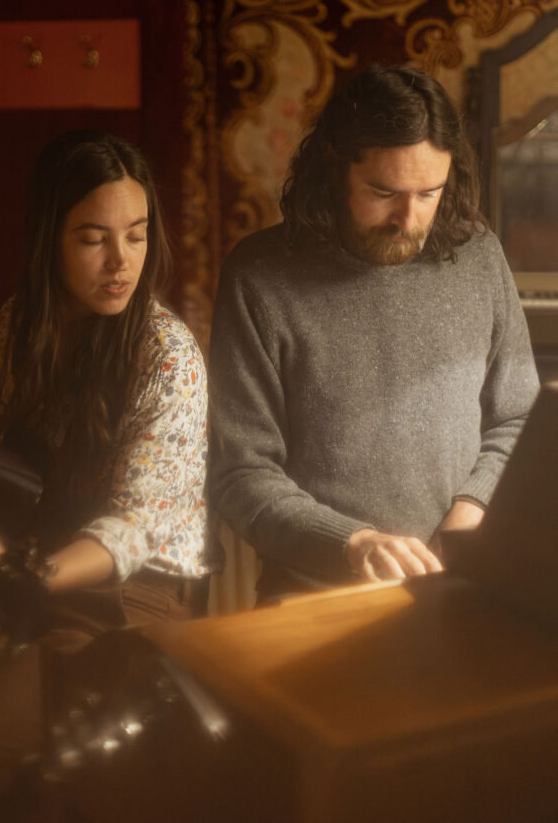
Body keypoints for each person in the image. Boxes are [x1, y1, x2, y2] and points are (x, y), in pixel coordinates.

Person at [0, 130, 214, 820]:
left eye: (137, 234)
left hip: (127, 601)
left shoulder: (167, 355)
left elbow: (134, 529)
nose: (121, 262)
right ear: (49, 243)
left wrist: (19, 576)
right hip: (25, 573)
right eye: (93, 238)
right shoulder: (25, 320)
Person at [208, 66, 539, 601]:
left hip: (460, 586)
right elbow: (240, 473)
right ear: (335, 170)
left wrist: (471, 507)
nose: (408, 218)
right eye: (383, 192)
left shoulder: (479, 257)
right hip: (315, 594)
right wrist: (354, 543)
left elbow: (519, 419)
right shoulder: (259, 276)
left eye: (429, 193)